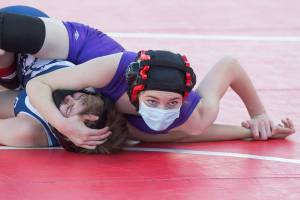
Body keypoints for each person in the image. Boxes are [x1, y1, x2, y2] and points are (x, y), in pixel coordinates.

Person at [0, 12, 295, 150]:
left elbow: (189, 134)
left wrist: (257, 128)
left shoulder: (192, 118)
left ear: (183, 99)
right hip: (77, 49)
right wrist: (257, 112)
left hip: (32, 78)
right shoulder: (109, 70)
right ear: (134, 94)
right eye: (153, 101)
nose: (163, 110)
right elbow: (42, 86)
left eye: (173, 103)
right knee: (5, 29)